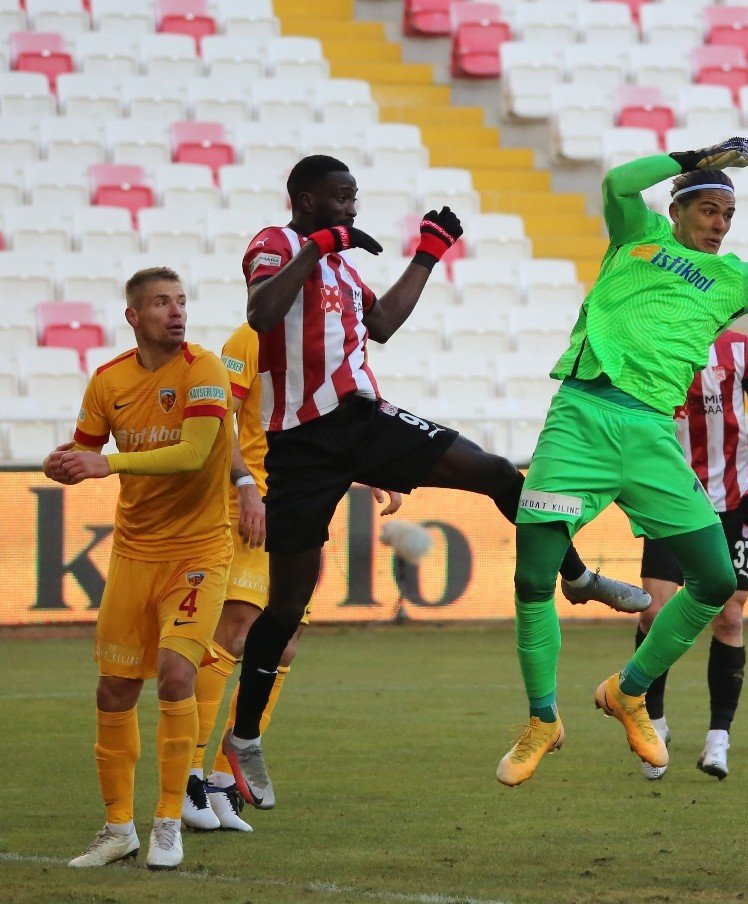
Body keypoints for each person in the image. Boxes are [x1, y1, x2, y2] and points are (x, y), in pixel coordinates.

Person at [222, 154, 648, 810]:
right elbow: (262, 313)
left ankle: (577, 575)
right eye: (341, 199)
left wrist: (426, 254)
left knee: (499, 474)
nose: (352, 209)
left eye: (354, 198)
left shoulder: (341, 264)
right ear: (306, 201)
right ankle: (244, 737)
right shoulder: (277, 244)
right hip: (300, 446)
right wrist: (318, 245)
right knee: (287, 605)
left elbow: (382, 326)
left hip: (362, 421)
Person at [497, 138, 748, 786]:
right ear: (681, 206)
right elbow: (618, 183)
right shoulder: (640, 234)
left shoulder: (735, 279)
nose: (719, 224)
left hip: (653, 436)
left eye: (728, 215)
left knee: (716, 583)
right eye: (709, 210)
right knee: (532, 575)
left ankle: (629, 691)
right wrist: (696, 156)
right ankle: (542, 720)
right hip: (581, 416)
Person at [43, 267, 234, 869]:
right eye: (160, 303)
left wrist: (110, 465)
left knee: (177, 675)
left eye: (181, 301)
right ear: (133, 316)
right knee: (115, 688)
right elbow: (87, 451)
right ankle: (118, 828)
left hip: (200, 551)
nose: (176, 313)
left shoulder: (204, 369)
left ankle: (168, 822)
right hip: (134, 554)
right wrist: (66, 463)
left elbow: (196, 453)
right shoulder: (108, 381)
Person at [182, 322, 403, 832]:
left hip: (301, 505)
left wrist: (375, 466)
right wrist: (243, 486)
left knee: (283, 644)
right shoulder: (251, 337)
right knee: (236, 631)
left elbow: (338, 426)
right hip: (253, 502)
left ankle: (221, 779)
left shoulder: (330, 342)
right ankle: (187, 774)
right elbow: (218, 420)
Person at [635, 329, 748, 782]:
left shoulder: (740, 348)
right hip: (671, 499)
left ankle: (719, 738)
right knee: (654, 612)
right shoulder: (654, 342)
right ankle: (653, 724)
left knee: (730, 617)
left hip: (732, 503)